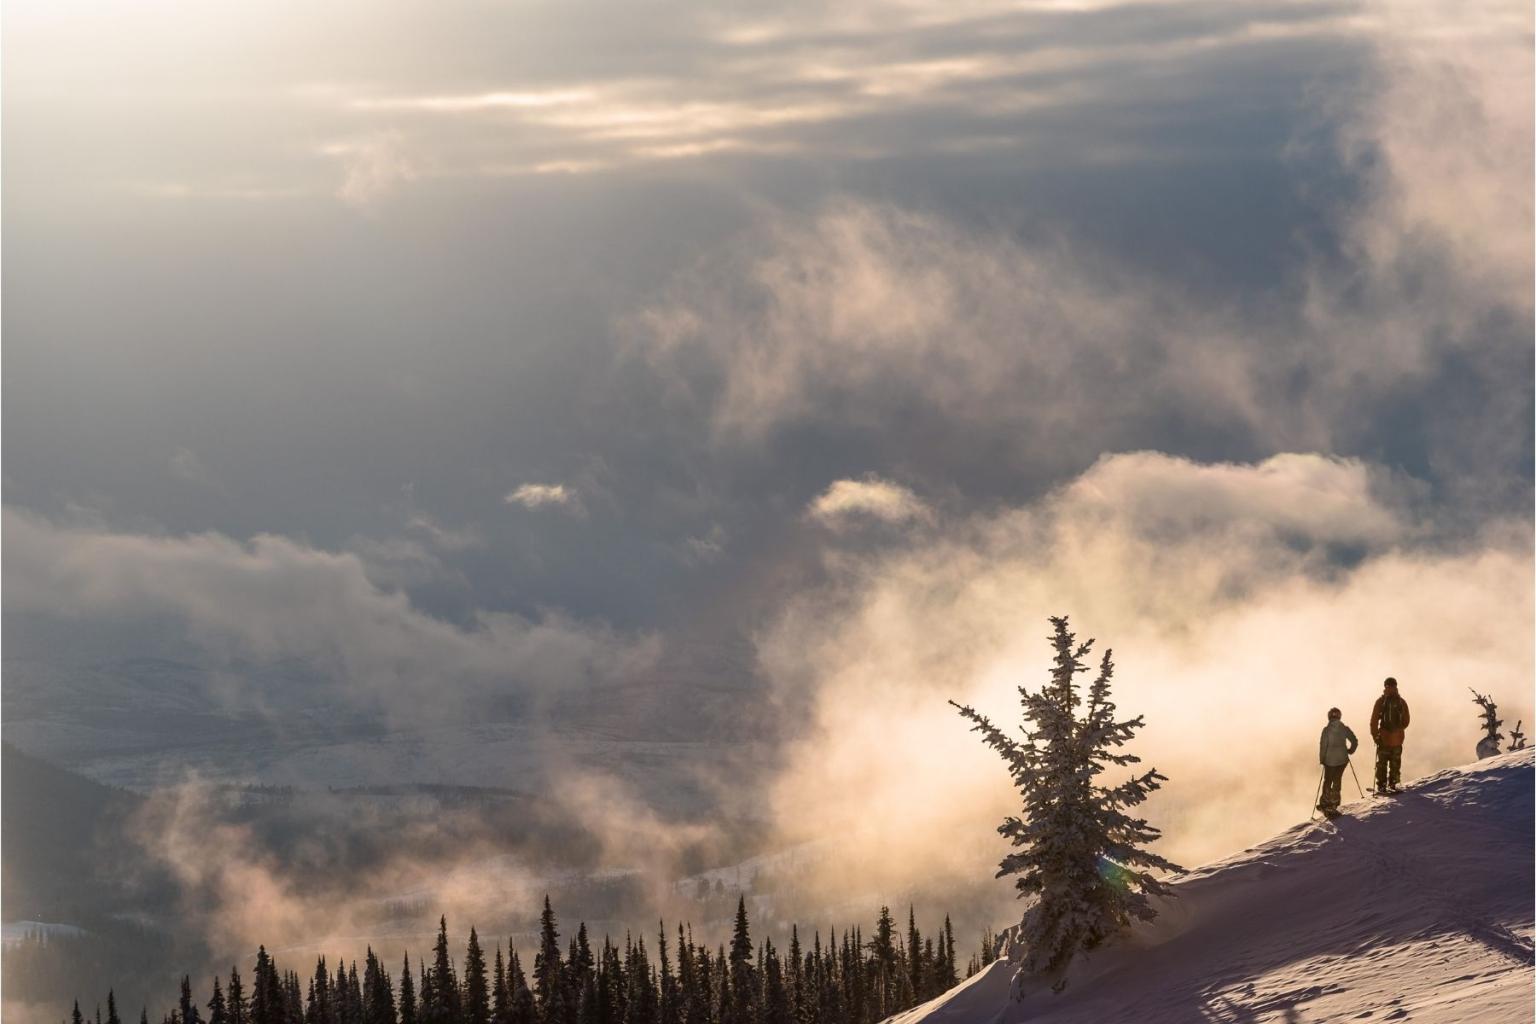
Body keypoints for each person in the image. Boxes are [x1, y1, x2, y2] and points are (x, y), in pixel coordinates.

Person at [1370, 676, 1411, 792]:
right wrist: (1399, 729)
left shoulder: (1380, 701)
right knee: (1395, 762)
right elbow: (1406, 721)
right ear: (1396, 686)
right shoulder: (1401, 701)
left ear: (1385, 687)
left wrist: (1375, 736)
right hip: (1397, 739)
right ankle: (1394, 783)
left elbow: (1373, 721)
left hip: (1383, 737)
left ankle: (1381, 785)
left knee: (1382, 763)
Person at [1318, 707, 1359, 813]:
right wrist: (1350, 751)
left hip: (1329, 761)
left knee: (1328, 781)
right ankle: (1334, 802)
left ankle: (1325, 803)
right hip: (1342, 760)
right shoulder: (1344, 728)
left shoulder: (1326, 730)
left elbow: (1323, 745)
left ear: (1329, 717)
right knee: (1337, 779)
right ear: (1339, 716)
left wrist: (1322, 759)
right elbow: (1354, 740)